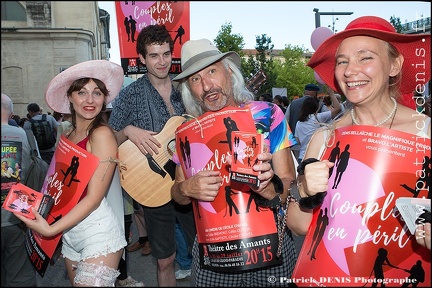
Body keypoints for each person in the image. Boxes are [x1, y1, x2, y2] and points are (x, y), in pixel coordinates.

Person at [286, 15, 430, 282]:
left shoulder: (426, 133)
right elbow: (298, 225)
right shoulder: (325, 138)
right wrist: (304, 191)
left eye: (365, 58)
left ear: (394, 65)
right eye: (342, 61)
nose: (350, 71)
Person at [170, 38, 298, 286]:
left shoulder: (268, 113)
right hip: (215, 253)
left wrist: (269, 187)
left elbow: (289, 181)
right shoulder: (188, 131)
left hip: (270, 245)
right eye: (195, 79)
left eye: (211, 71)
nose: (206, 85)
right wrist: (186, 188)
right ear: (189, 88)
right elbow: (177, 193)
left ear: (229, 71)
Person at [14, 60, 127, 286]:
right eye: (81, 92)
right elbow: (58, 185)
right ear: (70, 97)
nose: (89, 100)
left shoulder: (102, 135)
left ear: (104, 99)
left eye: (97, 93)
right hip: (69, 234)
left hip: (98, 234)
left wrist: (50, 229)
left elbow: (94, 198)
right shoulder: (67, 135)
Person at [108, 24, 191, 286]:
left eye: (166, 54)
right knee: (165, 259)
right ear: (142, 58)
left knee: (205, 252)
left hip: (191, 183)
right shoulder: (130, 94)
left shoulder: (186, 89)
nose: (162, 61)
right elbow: (110, 139)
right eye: (154, 56)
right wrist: (129, 130)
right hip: (154, 187)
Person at [1, 93, 37, 287]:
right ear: (12, 113)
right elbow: (36, 170)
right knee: (20, 274)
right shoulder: (23, 134)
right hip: (17, 211)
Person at [294, 87, 341, 163]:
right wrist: (332, 94)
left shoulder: (299, 122)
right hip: (315, 155)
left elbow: (297, 140)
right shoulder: (318, 117)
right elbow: (338, 108)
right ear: (315, 107)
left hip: (302, 157)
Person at [284, 83, 320, 160]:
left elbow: (285, 120)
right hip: (313, 144)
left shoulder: (293, 103)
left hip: (295, 142)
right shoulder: (319, 104)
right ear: (314, 93)